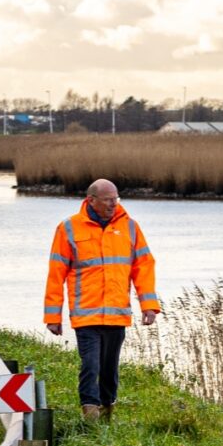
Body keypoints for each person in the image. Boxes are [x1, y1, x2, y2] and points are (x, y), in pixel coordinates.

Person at [42, 179, 159, 421]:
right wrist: (53, 317)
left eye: (115, 199)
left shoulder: (130, 227)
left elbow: (143, 267)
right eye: (107, 199)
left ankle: (107, 409)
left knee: (109, 369)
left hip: (117, 314)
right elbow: (56, 273)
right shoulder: (69, 228)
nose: (112, 204)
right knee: (91, 365)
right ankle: (90, 413)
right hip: (86, 315)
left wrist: (149, 306)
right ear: (91, 200)